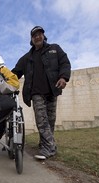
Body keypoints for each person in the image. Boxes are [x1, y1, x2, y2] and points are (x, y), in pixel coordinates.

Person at [12, 26, 71, 160]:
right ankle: (50, 148)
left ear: (44, 36)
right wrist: (2, 78)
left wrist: (63, 77)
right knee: (41, 120)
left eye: (40, 34)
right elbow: (15, 73)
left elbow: (65, 63)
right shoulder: (27, 58)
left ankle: (44, 144)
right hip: (36, 93)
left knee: (50, 121)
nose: (37, 37)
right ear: (31, 40)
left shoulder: (55, 49)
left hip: (52, 90)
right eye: (34, 35)